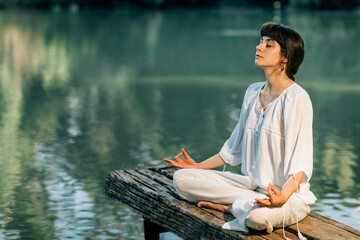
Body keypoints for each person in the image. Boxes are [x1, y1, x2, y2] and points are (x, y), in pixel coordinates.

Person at [164, 22, 316, 238]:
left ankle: (231, 207)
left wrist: (282, 197)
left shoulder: (297, 99)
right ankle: (243, 205)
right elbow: (233, 149)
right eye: (261, 42)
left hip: (288, 196)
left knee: (257, 219)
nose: (259, 47)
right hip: (251, 187)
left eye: (268, 45)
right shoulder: (253, 92)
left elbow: (301, 164)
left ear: (285, 58)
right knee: (181, 179)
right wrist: (198, 167)